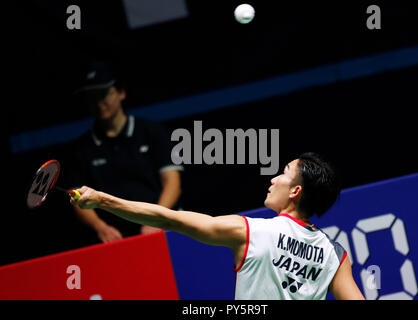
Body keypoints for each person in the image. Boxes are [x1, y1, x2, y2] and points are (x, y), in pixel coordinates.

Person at [70, 152, 365, 300]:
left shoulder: (251, 232)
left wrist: (103, 200)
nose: (273, 178)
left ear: (295, 192)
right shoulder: (333, 254)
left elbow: (166, 218)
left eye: (284, 173)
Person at [68, 60, 183, 244]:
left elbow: (173, 183)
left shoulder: (153, 132)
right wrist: (101, 228)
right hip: (114, 239)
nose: (99, 103)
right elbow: (78, 198)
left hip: (160, 228)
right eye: (92, 97)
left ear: (121, 93)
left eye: (104, 94)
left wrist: (156, 220)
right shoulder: (81, 149)